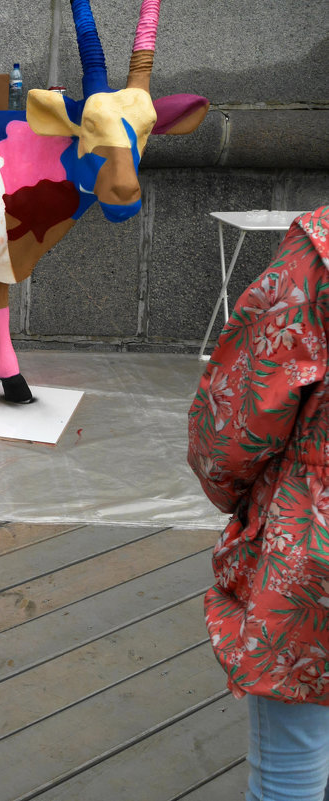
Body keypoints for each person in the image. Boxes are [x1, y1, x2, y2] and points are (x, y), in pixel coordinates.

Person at [188, 206, 329, 801]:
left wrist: (234, 494)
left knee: (291, 766)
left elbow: (238, 420)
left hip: (312, 554)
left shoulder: (318, 255)